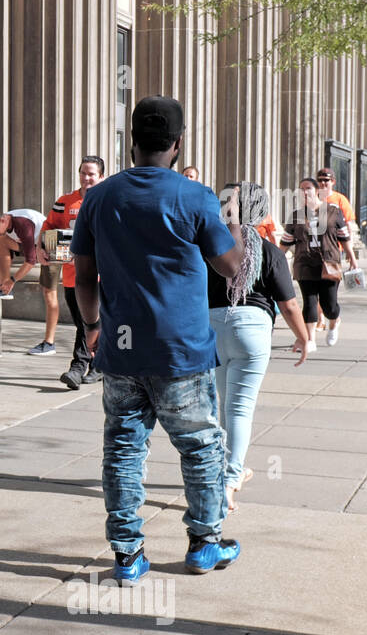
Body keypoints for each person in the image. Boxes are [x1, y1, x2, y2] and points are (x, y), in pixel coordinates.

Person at [70, 95, 245, 585]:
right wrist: (232, 222)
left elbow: (84, 277)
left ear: (132, 143)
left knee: (124, 450)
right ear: (178, 143)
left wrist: (90, 327)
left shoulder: (99, 197)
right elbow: (231, 268)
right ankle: (205, 544)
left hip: (121, 348)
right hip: (181, 348)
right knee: (200, 447)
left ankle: (127, 555)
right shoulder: (195, 196)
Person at [208, 182, 311, 512]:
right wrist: (303, 338)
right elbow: (289, 305)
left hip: (211, 327)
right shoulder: (269, 251)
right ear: (261, 211)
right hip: (251, 328)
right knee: (239, 409)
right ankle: (229, 479)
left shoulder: (211, 246)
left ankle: (221, 469)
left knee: (225, 405)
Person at [42, 155, 105, 385]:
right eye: (83, 173)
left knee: (91, 323)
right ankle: (96, 365)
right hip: (72, 277)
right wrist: (43, 247)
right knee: (83, 323)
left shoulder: (108, 201)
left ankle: (80, 367)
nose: (86, 178)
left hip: (101, 276)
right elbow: (49, 228)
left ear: (101, 177)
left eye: (91, 174)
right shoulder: (65, 201)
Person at [281, 178, 357, 350]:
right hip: (304, 264)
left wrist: (352, 258)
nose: (304, 192)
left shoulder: (333, 211)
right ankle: (310, 340)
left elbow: (344, 237)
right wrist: (276, 260)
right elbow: (285, 242)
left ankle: (334, 321)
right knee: (309, 302)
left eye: (307, 188)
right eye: (301, 189)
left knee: (329, 305)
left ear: (317, 191)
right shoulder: (296, 215)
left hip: (329, 263)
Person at [0, 206, 44, 305]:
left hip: (46, 247)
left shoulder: (22, 225)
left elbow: (31, 261)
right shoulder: (6, 221)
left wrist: (12, 281)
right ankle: (3, 286)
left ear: (2, 221)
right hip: (32, 244)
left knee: (2, 239)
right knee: (2, 240)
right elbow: (8, 256)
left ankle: (6, 286)